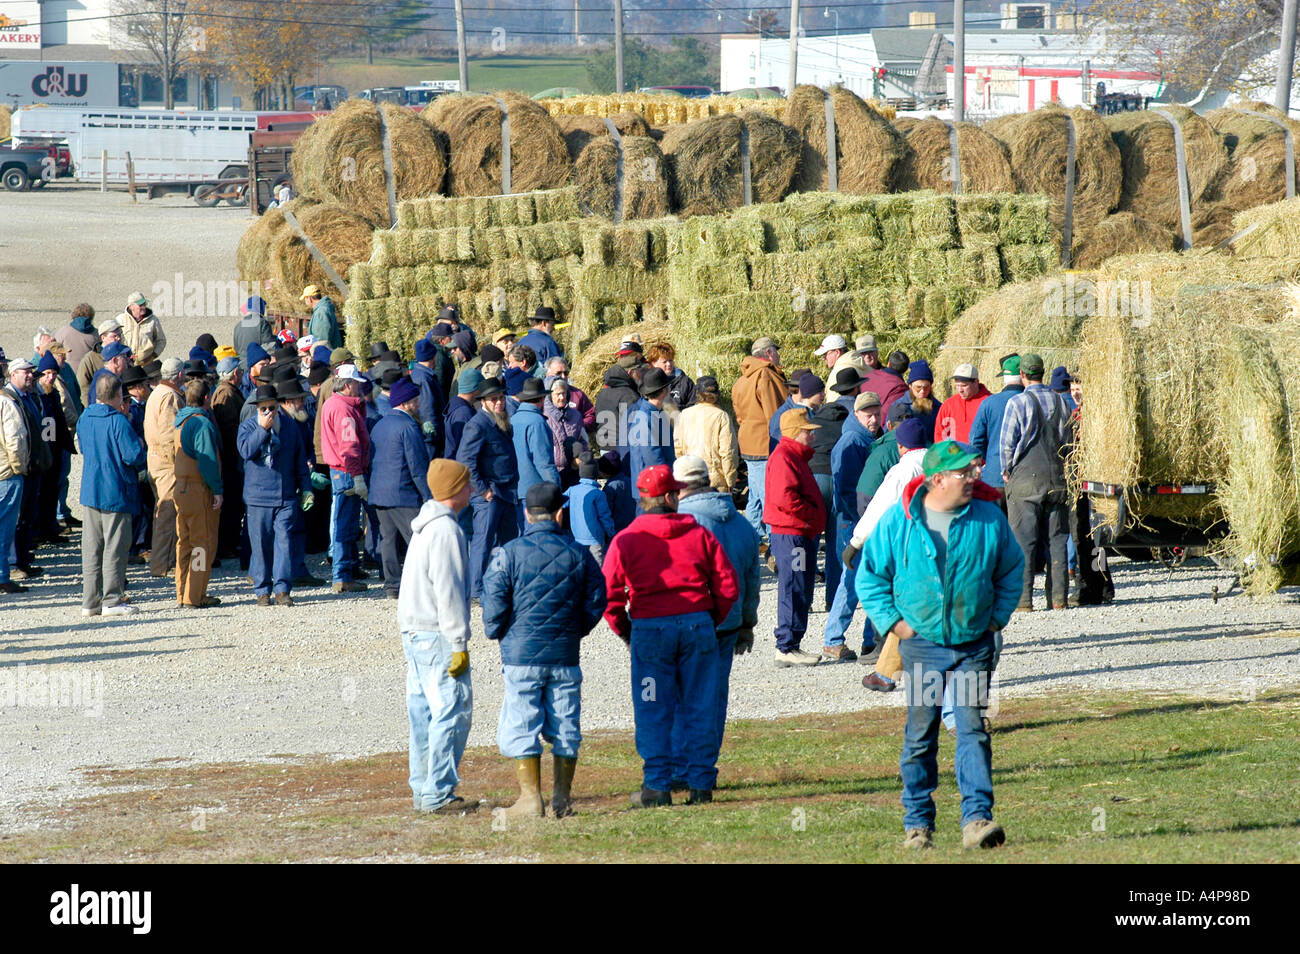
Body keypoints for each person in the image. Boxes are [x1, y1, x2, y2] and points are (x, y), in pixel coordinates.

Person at [857, 439, 1023, 851]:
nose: (972, 478)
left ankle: (978, 821)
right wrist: (895, 624)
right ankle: (917, 825)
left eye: (972, 470)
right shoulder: (900, 521)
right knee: (921, 734)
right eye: (963, 472)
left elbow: (1013, 568)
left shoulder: (988, 518)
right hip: (924, 649)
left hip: (971, 646)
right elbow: (870, 577)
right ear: (936, 479)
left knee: (971, 729)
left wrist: (997, 617)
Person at [603, 464, 739, 807]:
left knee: (652, 707)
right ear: (669, 498)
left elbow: (609, 595)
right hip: (696, 626)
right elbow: (727, 585)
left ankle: (657, 786)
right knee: (701, 703)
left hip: (650, 631)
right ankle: (700, 784)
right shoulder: (698, 534)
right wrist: (709, 618)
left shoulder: (627, 539)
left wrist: (627, 631)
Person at [483, 481, 606, 818]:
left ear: (526, 513)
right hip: (565, 654)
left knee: (523, 720)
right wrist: (573, 630)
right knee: (566, 722)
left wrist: (501, 633)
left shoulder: (506, 553)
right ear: (560, 512)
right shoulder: (579, 554)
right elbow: (598, 600)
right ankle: (562, 799)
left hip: (521, 656)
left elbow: (493, 608)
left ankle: (530, 799)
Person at [671, 455, 758, 792]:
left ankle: (682, 767)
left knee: (681, 695)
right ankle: (704, 767)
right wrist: (746, 624)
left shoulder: (682, 523)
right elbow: (750, 582)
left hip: (693, 622)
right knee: (713, 697)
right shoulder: (739, 523)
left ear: (679, 488)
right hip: (729, 624)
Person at [399, 458, 476, 814]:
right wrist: (459, 642)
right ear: (455, 489)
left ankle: (423, 790)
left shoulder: (424, 526)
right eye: (467, 483)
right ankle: (439, 793)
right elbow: (448, 590)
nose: (472, 488)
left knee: (423, 714)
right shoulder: (446, 531)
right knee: (452, 711)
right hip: (437, 634)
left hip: (415, 631)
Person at [843, 417, 932, 691]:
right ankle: (891, 670)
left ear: (902, 446)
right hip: (944, 543)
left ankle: (887, 672)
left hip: (912, 546)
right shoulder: (941, 464)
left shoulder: (902, 470)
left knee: (907, 606)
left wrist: (856, 542)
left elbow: (880, 507)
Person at [1001, 353, 1074, 612]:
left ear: (1022, 374)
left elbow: (1007, 444)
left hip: (1025, 479)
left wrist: (1006, 471)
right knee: (1057, 539)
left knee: (1023, 540)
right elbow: (1069, 443)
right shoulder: (1062, 403)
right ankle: (1058, 600)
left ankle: (1023, 601)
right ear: (1043, 373)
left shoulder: (1017, 402)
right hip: (1057, 478)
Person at [77, 375, 147, 617]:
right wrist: (138, 441)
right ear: (117, 396)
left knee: (92, 548)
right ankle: (112, 600)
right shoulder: (118, 421)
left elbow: (84, 448)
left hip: (91, 490)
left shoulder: (85, 417)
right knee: (115, 547)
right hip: (115, 490)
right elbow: (133, 456)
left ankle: (90, 601)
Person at [239, 383, 312, 606]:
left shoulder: (290, 426)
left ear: (278, 406)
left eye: (272, 407)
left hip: (285, 495)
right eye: (263, 409)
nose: (268, 412)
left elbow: (300, 460)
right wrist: (262, 429)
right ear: (257, 409)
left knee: (284, 542)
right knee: (260, 545)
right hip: (258, 497)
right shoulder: (248, 427)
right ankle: (262, 590)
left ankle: (282, 589)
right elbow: (245, 451)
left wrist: (306, 487)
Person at [823, 390, 883, 662]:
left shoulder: (870, 438)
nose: (873, 418)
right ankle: (833, 639)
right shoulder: (851, 442)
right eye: (868, 414)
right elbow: (845, 490)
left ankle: (871, 641)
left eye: (876, 413)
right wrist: (860, 524)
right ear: (856, 414)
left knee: (874, 578)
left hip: (865, 518)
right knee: (852, 579)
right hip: (853, 521)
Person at [765, 408, 827, 668]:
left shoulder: (792, 456)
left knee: (800, 585)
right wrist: (812, 516)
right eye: (807, 432)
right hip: (793, 534)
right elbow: (786, 498)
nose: (812, 437)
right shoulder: (785, 457)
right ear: (793, 433)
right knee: (794, 587)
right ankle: (786, 645)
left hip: (798, 533)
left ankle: (792, 644)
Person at [455, 377, 519, 599]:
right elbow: (466, 460)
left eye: (501, 398)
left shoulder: (502, 420)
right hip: (490, 493)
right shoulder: (477, 424)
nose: (499, 402)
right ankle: (477, 589)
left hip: (507, 490)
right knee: (483, 541)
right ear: (483, 401)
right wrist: (483, 490)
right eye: (494, 399)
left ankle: (501, 584)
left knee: (506, 542)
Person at [369, 377, 432, 599]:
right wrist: (428, 495)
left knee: (388, 541)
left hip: (379, 493)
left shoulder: (379, 425)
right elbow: (417, 466)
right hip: (403, 494)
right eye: (415, 401)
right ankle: (423, 585)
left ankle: (392, 587)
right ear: (405, 403)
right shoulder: (408, 426)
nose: (418, 405)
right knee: (417, 541)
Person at [321, 363, 371, 594]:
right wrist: (357, 475)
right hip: (347, 471)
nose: (360, 389)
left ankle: (347, 570)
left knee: (345, 522)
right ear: (348, 385)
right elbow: (349, 445)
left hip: (339, 470)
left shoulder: (332, 404)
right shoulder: (344, 410)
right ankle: (342, 575)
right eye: (357, 384)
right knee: (345, 524)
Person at [173, 378, 224, 608]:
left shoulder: (180, 421)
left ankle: (182, 593)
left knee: (184, 543)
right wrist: (217, 489)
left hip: (181, 489)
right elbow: (207, 461)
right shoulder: (201, 424)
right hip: (197, 489)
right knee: (202, 544)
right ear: (206, 398)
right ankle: (196, 595)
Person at [732, 337, 787, 542]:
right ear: (769, 353)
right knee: (769, 497)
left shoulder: (742, 379)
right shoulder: (766, 375)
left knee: (755, 495)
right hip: (766, 444)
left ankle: (752, 536)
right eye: (776, 351)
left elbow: (738, 415)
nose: (779, 356)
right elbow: (776, 414)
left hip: (748, 443)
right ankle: (775, 541)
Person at [143, 357, 185, 578]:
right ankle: (162, 565)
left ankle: (163, 562)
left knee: (161, 514)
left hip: (154, 460)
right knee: (167, 516)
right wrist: (178, 465)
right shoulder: (170, 396)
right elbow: (170, 434)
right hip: (166, 464)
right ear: (179, 375)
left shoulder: (157, 392)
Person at [967, 354, 1024, 501]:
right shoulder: (1032, 401)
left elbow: (974, 439)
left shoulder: (989, 403)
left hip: (995, 476)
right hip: (1026, 478)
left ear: (1004, 378)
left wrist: (988, 459)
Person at [35, 351, 77, 544]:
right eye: (46, 373)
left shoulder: (52, 394)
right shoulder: (38, 396)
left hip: (55, 449)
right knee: (41, 493)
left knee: (53, 490)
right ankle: (40, 530)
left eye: (53, 373)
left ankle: (50, 528)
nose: (50, 377)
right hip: (43, 452)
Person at [623, 367, 676, 515]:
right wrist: (667, 482)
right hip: (650, 491)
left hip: (653, 487)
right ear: (664, 390)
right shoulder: (645, 417)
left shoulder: (655, 414)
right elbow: (652, 457)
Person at [673, 375, 738, 494]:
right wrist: (730, 480)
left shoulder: (684, 415)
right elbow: (728, 452)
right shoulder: (721, 416)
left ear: (697, 393)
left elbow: (678, 448)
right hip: (715, 480)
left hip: (690, 477)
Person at [211, 357, 246, 562]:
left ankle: (230, 543)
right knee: (231, 503)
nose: (241, 373)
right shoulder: (226, 394)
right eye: (239, 371)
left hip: (231, 455)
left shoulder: (229, 391)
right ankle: (226, 545)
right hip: (231, 456)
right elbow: (229, 427)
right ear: (233, 374)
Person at [0, 368, 31, 594]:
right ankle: (2, 576)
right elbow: (16, 441)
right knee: (4, 529)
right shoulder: (6, 405)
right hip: (6, 475)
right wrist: (19, 468)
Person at [513, 378, 562, 507]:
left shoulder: (512, 419)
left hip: (516, 489)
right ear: (542, 398)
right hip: (536, 493)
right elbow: (544, 462)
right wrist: (556, 490)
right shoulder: (537, 422)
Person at [564, 454, 615, 563]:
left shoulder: (572, 490)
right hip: (595, 539)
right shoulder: (598, 494)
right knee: (597, 568)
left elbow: (561, 503)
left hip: (576, 537)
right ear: (596, 474)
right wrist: (611, 532)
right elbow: (604, 517)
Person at [542, 378, 587, 488]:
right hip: (553, 474)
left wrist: (580, 457)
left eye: (564, 393)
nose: (562, 397)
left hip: (574, 471)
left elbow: (584, 440)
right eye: (557, 394)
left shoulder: (576, 416)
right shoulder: (543, 417)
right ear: (550, 396)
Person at [935, 363, 991, 444]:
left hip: (980, 455)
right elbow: (940, 434)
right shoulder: (949, 404)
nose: (960, 390)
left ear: (976, 382)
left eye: (964, 386)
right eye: (957, 385)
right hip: (955, 455)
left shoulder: (989, 402)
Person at [411, 338, 447, 459]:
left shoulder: (417, 374)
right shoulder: (425, 379)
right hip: (430, 438)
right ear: (433, 356)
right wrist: (434, 435)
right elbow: (428, 409)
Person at [445, 367, 481, 463]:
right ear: (474, 389)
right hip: (459, 467)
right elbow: (465, 447)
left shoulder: (456, 405)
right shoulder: (464, 413)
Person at [645, 341, 695, 410]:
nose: (669, 364)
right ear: (653, 363)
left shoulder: (685, 382)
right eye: (664, 362)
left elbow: (693, 407)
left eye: (670, 360)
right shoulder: (646, 383)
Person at [894, 360, 938, 436]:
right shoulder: (899, 407)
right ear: (910, 386)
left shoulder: (939, 408)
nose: (922, 391)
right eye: (918, 387)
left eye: (926, 387)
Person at [122, 291, 167, 365]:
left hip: (146, 365)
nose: (143, 307)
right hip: (126, 365)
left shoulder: (153, 320)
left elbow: (161, 341)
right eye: (140, 305)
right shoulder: (121, 320)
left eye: (144, 304)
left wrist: (153, 355)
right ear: (131, 307)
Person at [862, 349, 909, 420]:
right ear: (906, 370)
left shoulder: (868, 376)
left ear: (889, 364)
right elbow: (887, 414)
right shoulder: (900, 388)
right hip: (876, 425)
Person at [515, 306, 563, 371]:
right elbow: (557, 368)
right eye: (552, 325)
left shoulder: (520, 342)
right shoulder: (549, 343)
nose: (554, 328)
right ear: (544, 323)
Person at [56, 303, 99, 371]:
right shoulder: (97, 334)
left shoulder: (63, 331)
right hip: (89, 373)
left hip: (68, 372)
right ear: (91, 317)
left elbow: (54, 350)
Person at [234, 296, 274, 363]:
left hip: (242, 364)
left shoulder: (238, 326)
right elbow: (270, 346)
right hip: (258, 365)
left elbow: (237, 349)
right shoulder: (263, 323)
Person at [302, 285, 342, 350]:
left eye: (305, 298)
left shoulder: (321, 312)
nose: (305, 301)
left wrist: (319, 356)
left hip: (325, 355)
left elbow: (322, 340)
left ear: (310, 299)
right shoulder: (323, 309)